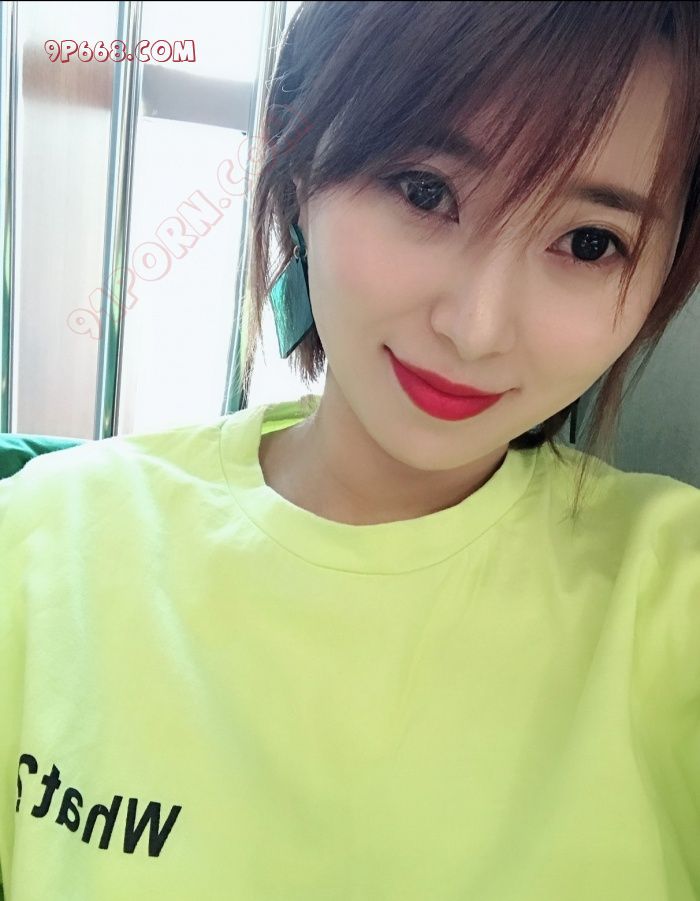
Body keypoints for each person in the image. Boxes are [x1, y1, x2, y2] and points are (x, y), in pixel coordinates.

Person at [0, 2, 698, 899]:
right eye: (424, 191)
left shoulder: (670, 593)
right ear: (296, 160)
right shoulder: (40, 541)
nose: (476, 327)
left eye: (589, 243)